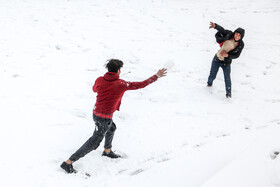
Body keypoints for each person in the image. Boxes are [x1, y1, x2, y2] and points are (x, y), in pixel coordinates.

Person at [61, 59, 167, 173]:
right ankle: (68, 163)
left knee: (111, 128)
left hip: (96, 113)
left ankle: (107, 151)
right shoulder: (121, 84)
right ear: (118, 70)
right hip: (104, 117)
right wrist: (156, 76)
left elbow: (94, 89)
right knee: (94, 142)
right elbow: (141, 85)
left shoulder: (100, 80)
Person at [207, 22, 245, 98]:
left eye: (239, 35)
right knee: (212, 75)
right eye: (236, 33)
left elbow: (236, 55)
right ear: (234, 33)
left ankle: (228, 94)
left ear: (241, 37)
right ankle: (209, 84)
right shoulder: (229, 34)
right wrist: (215, 26)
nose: (237, 36)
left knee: (227, 78)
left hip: (226, 63)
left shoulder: (241, 44)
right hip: (217, 59)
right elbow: (222, 30)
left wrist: (227, 55)